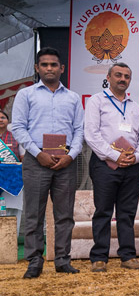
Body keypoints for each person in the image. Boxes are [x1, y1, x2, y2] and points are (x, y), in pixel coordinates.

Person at [11, 47, 84, 278]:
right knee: (34, 213)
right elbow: (19, 128)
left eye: (54, 65)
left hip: (66, 162)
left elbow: (79, 131)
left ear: (62, 68)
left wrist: (70, 155)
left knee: (64, 214)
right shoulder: (26, 95)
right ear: (37, 68)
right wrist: (37, 153)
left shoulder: (73, 97)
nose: (49, 68)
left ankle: (62, 260)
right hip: (36, 160)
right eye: (44, 65)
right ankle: (34, 261)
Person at [83, 62, 139, 272]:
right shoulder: (96, 101)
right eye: (118, 75)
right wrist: (115, 156)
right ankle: (99, 257)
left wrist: (136, 157)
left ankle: (127, 256)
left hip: (130, 167)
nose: (122, 79)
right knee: (103, 211)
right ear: (108, 77)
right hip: (104, 165)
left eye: (126, 77)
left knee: (127, 213)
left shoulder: (135, 107)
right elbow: (91, 135)